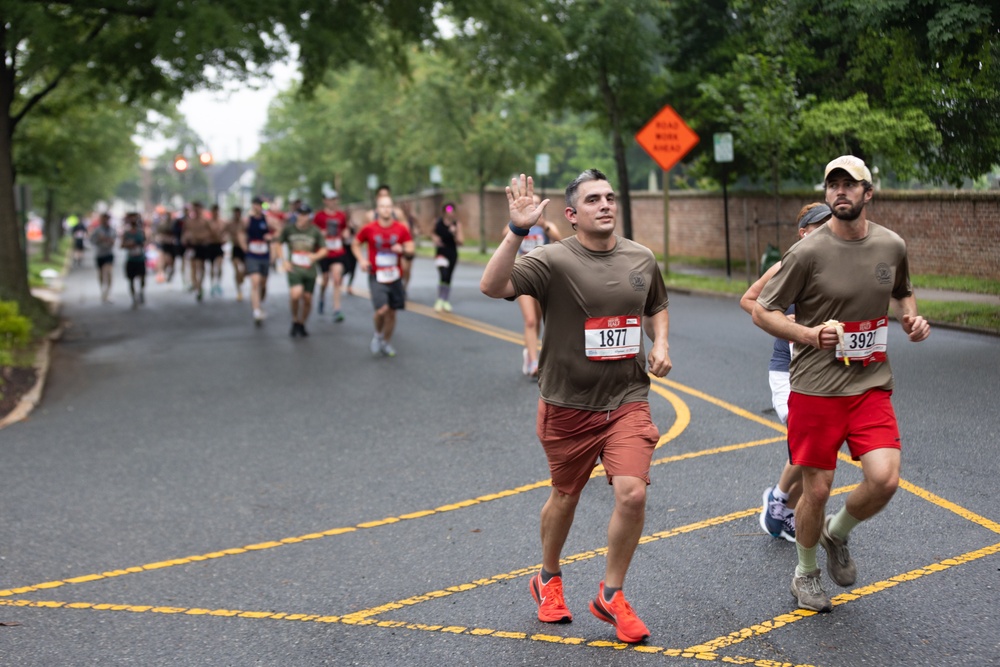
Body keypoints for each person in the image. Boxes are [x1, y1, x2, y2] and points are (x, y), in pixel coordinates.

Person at [480, 171, 671, 644]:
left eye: (609, 197)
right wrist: (517, 231)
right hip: (567, 404)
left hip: (627, 399)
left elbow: (656, 304)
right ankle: (548, 577)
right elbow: (492, 284)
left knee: (632, 492)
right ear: (572, 214)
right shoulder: (552, 260)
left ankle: (612, 593)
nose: (605, 204)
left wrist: (661, 341)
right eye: (593, 199)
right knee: (565, 495)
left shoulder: (641, 257)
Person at [752, 155, 930, 613]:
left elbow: (902, 289)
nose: (840, 192)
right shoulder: (807, 252)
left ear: (868, 193)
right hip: (816, 387)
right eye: (833, 185)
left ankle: (837, 532)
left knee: (885, 479)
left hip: (870, 380)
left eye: (850, 185)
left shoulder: (891, 244)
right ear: (827, 192)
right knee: (815, 490)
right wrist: (809, 335)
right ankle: (805, 574)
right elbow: (761, 309)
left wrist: (911, 318)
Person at [740, 202, 833, 542]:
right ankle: (779, 501)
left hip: (826, 371)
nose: (827, 232)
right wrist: (784, 322)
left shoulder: (840, 268)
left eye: (831, 225)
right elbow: (749, 301)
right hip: (788, 371)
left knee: (816, 443)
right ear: (803, 233)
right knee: (809, 438)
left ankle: (786, 512)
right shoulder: (786, 266)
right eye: (819, 227)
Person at [352, 194, 415, 357]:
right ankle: (378, 335)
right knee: (382, 310)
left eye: (389, 206)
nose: (386, 209)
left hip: (394, 276)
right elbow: (355, 244)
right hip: (376, 275)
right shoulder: (369, 228)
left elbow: (411, 250)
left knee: (392, 312)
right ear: (377, 210)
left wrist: (403, 250)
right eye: (383, 206)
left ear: (392, 209)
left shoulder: (401, 229)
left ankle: (386, 342)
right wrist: (361, 260)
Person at [510, 193, 562, 378]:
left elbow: (559, 240)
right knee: (530, 320)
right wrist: (519, 225)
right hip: (523, 275)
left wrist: (544, 225)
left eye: (538, 204)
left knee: (539, 319)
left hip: (542, 277)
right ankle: (533, 361)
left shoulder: (545, 226)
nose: (535, 207)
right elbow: (504, 236)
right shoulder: (521, 224)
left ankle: (529, 352)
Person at [276, 203, 327, 337]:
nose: (302, 217)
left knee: (307, 298)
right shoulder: (289, 229)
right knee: (295, 294)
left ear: (309, 216)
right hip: (295, 268)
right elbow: (278, 244)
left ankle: (302, 322)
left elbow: (324, 249)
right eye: (300, 214)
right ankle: (294, 319)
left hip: (309, 269)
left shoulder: (314, 231)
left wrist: (315, 256)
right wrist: (284, 260)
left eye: (305, 214)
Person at [313, 189, 350, 321]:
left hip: (337, 251)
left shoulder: (341, 215)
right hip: (323, 252)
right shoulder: (319, 216)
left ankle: (337, 309)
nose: (332, 202)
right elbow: (313, 232)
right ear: (325, 200)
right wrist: (321, 234)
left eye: (334, 199)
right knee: (325, 280)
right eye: (329, 199)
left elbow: (345, 228)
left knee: (337, 278)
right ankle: (322, 297)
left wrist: (346, 234)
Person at [244, 197, 279, 326]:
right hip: (252, 254)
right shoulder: (247, 220)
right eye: (255, 205)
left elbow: (279, 229)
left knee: (263, 284)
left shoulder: (268, 219)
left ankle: (260, 301)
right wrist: (243, 245)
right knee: (255, 282)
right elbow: (239, 232)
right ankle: (256, 310)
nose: (257, 207)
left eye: (259, 205)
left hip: (264, 254)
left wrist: (272, 236)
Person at [431, 202, 463, 312]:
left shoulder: (456, 224)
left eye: (452, 210)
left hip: (452, 253)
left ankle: (445, 300)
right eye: (448, 210)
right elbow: (432, 233)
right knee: (443, 274)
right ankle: (439, 299)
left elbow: (460, 241)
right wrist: (434, 239)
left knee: (448, 277)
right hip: (441, 252)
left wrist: (454, 233)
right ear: (444, 211)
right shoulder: (438, 222)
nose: (450, 213)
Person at [181, 202, 213, 302]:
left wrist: (202, 237)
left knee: (201, 266)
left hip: (202, 246)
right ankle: (196, 286)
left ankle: (200, 284)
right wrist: (185, 239)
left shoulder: (205, 221)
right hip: (193, 246)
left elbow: (211, 233)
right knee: (193, 266)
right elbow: (185, 233)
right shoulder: (189, 222)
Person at [120, 212, 147, 308]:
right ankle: (133, 298)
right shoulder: (126, 233)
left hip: (140, 259)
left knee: (142, 277)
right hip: (131, 259)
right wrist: (129, 244)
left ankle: (141, 292)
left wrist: (140, 244)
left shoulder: (141, 232)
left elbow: (146, 242)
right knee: (131, 280)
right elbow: (121, 245)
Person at [89, 212, 116, 303]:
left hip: (109, 254)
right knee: (101, 274)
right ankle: (102, 289)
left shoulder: (112, 230)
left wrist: (108, 240)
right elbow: (92, 241)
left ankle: (107, 292)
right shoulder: (97, 230)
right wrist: (99, 239)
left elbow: (114, 240)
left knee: (108, 272)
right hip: (99, 254)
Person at [226, 206, 247, 301]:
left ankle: (241, 280)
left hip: (244, 249)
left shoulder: (245, 223)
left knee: (244, 271)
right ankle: (239, 291)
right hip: (235, 248)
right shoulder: (230, 224)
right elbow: (223, 233)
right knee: (237, 270)